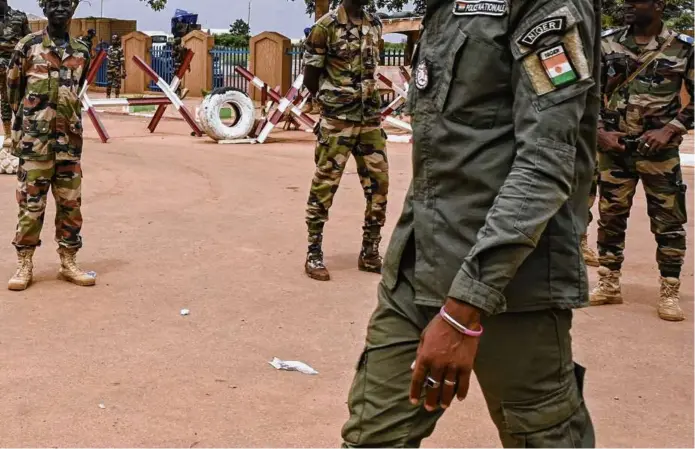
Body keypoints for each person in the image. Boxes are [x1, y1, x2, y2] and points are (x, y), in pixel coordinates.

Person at [341, 0, 600, 446]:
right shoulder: (446, 6)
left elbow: (545, 165)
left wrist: (464, 311)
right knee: (371, 437)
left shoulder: (544, 6)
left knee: (541, 437)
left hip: (512, 283)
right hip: (419, 267)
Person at [590, 0, 693, 321]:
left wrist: (672, 128)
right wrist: (598, 131)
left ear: (659, 5)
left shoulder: (682, 48)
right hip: (614, 148)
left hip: (658, 152)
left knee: (669, 221)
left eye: (637, 0)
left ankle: (669, 288)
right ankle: (608, 283)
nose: (629, 6)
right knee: (610, 217)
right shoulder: (606, 42)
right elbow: (584, 90)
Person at [7, 0, 95, 291]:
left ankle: (68, 261)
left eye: (65, 4)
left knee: (71, 205)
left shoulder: (82, 50)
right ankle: (24, 262)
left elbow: (77, 88)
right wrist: (22, 127)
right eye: (53, 4)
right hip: (36, 144)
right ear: (44, 9)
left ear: (73, 9)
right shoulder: (28, 45)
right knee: (30, 206)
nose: (60, 9)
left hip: (69, 143)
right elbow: (13, 90)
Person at [302, 0, 389, 281]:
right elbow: (310, 77)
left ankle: (370, 252)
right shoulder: (325, 27)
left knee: (379, 186)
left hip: (370, 120)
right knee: (324, 185)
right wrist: (332, 102)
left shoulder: (375, 25)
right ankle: (314, 253)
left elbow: (373, 68)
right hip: (338, 121)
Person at [0, 0, 30, 149]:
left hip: (18, 64)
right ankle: (7, 133)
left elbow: (28, 41)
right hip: (0, 67)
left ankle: (22, 131)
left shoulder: (19, 17)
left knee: (21, 98)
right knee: (5, 99)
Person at [106, 34, 125, 99]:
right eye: (112, 39)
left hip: (117, 69)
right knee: (109, 83)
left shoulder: (120, 49)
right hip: (109, 69)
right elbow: (108, 58)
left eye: (115, 39)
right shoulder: (109, 48)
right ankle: (108, 96)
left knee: (117, 84)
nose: (113, 41)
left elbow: (122, 60)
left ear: (118, 40)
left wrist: (124, 70)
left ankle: (117, 96)